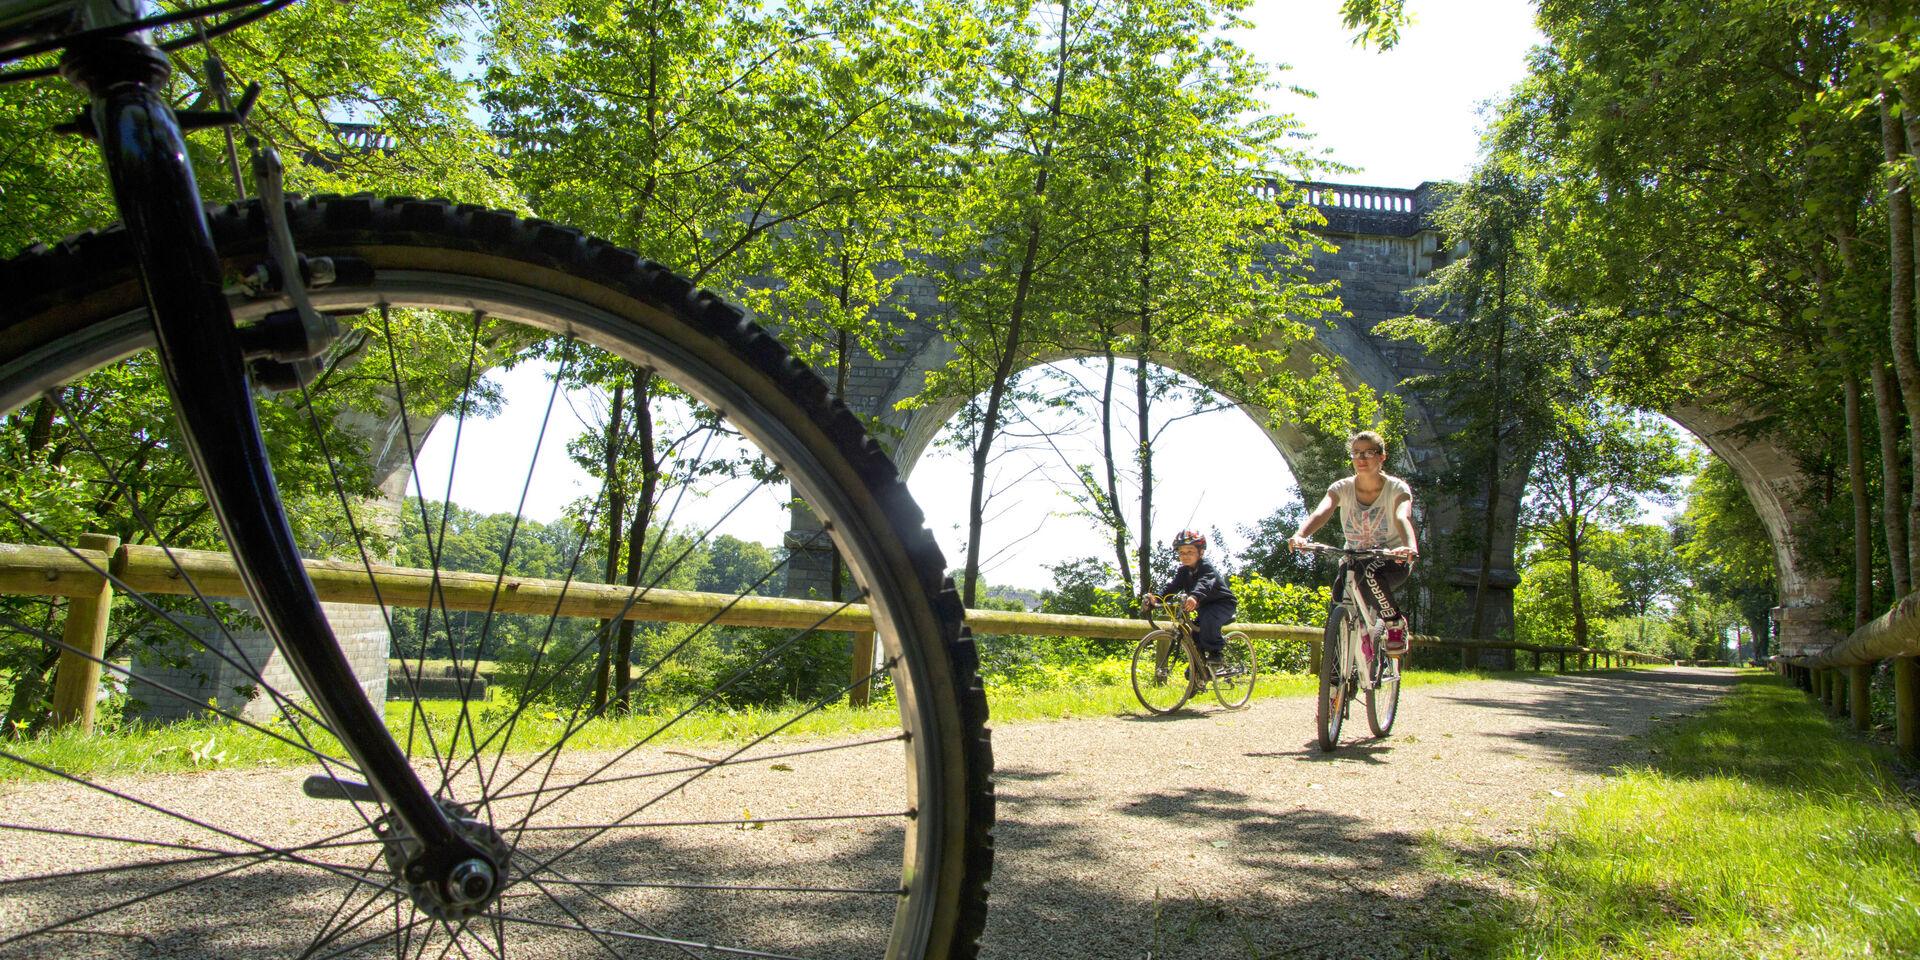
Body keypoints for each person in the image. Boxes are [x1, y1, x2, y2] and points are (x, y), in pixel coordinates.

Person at [1288, 430, 1420, 655]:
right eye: (1356, 453)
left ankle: (1394, 623)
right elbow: (1323, 511)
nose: (1361, 459)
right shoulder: (1342, 488)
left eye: (1369, 453)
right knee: (1337, 609)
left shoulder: (1397, 488)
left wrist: (1408, 547)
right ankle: (1335, 683)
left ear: (1382, 457)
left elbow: (1402, 516)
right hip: (1354, 558)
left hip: (1391, 559)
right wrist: (1301, 535)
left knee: (1371, 574)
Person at [1144, 529, 1238, 671]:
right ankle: (1198, 669)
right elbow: (1171, 588)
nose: (1185, 556)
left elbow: (1205, 583)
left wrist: (1194, 596)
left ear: (1201, 552)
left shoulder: (1206, 567)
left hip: (1223, 604)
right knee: (1195, 635)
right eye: (1181, 552)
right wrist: (1155, 599)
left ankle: (1216, 654)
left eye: (1190, 551)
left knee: (1208, 620)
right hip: (1205, 607)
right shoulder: (1183, 572)